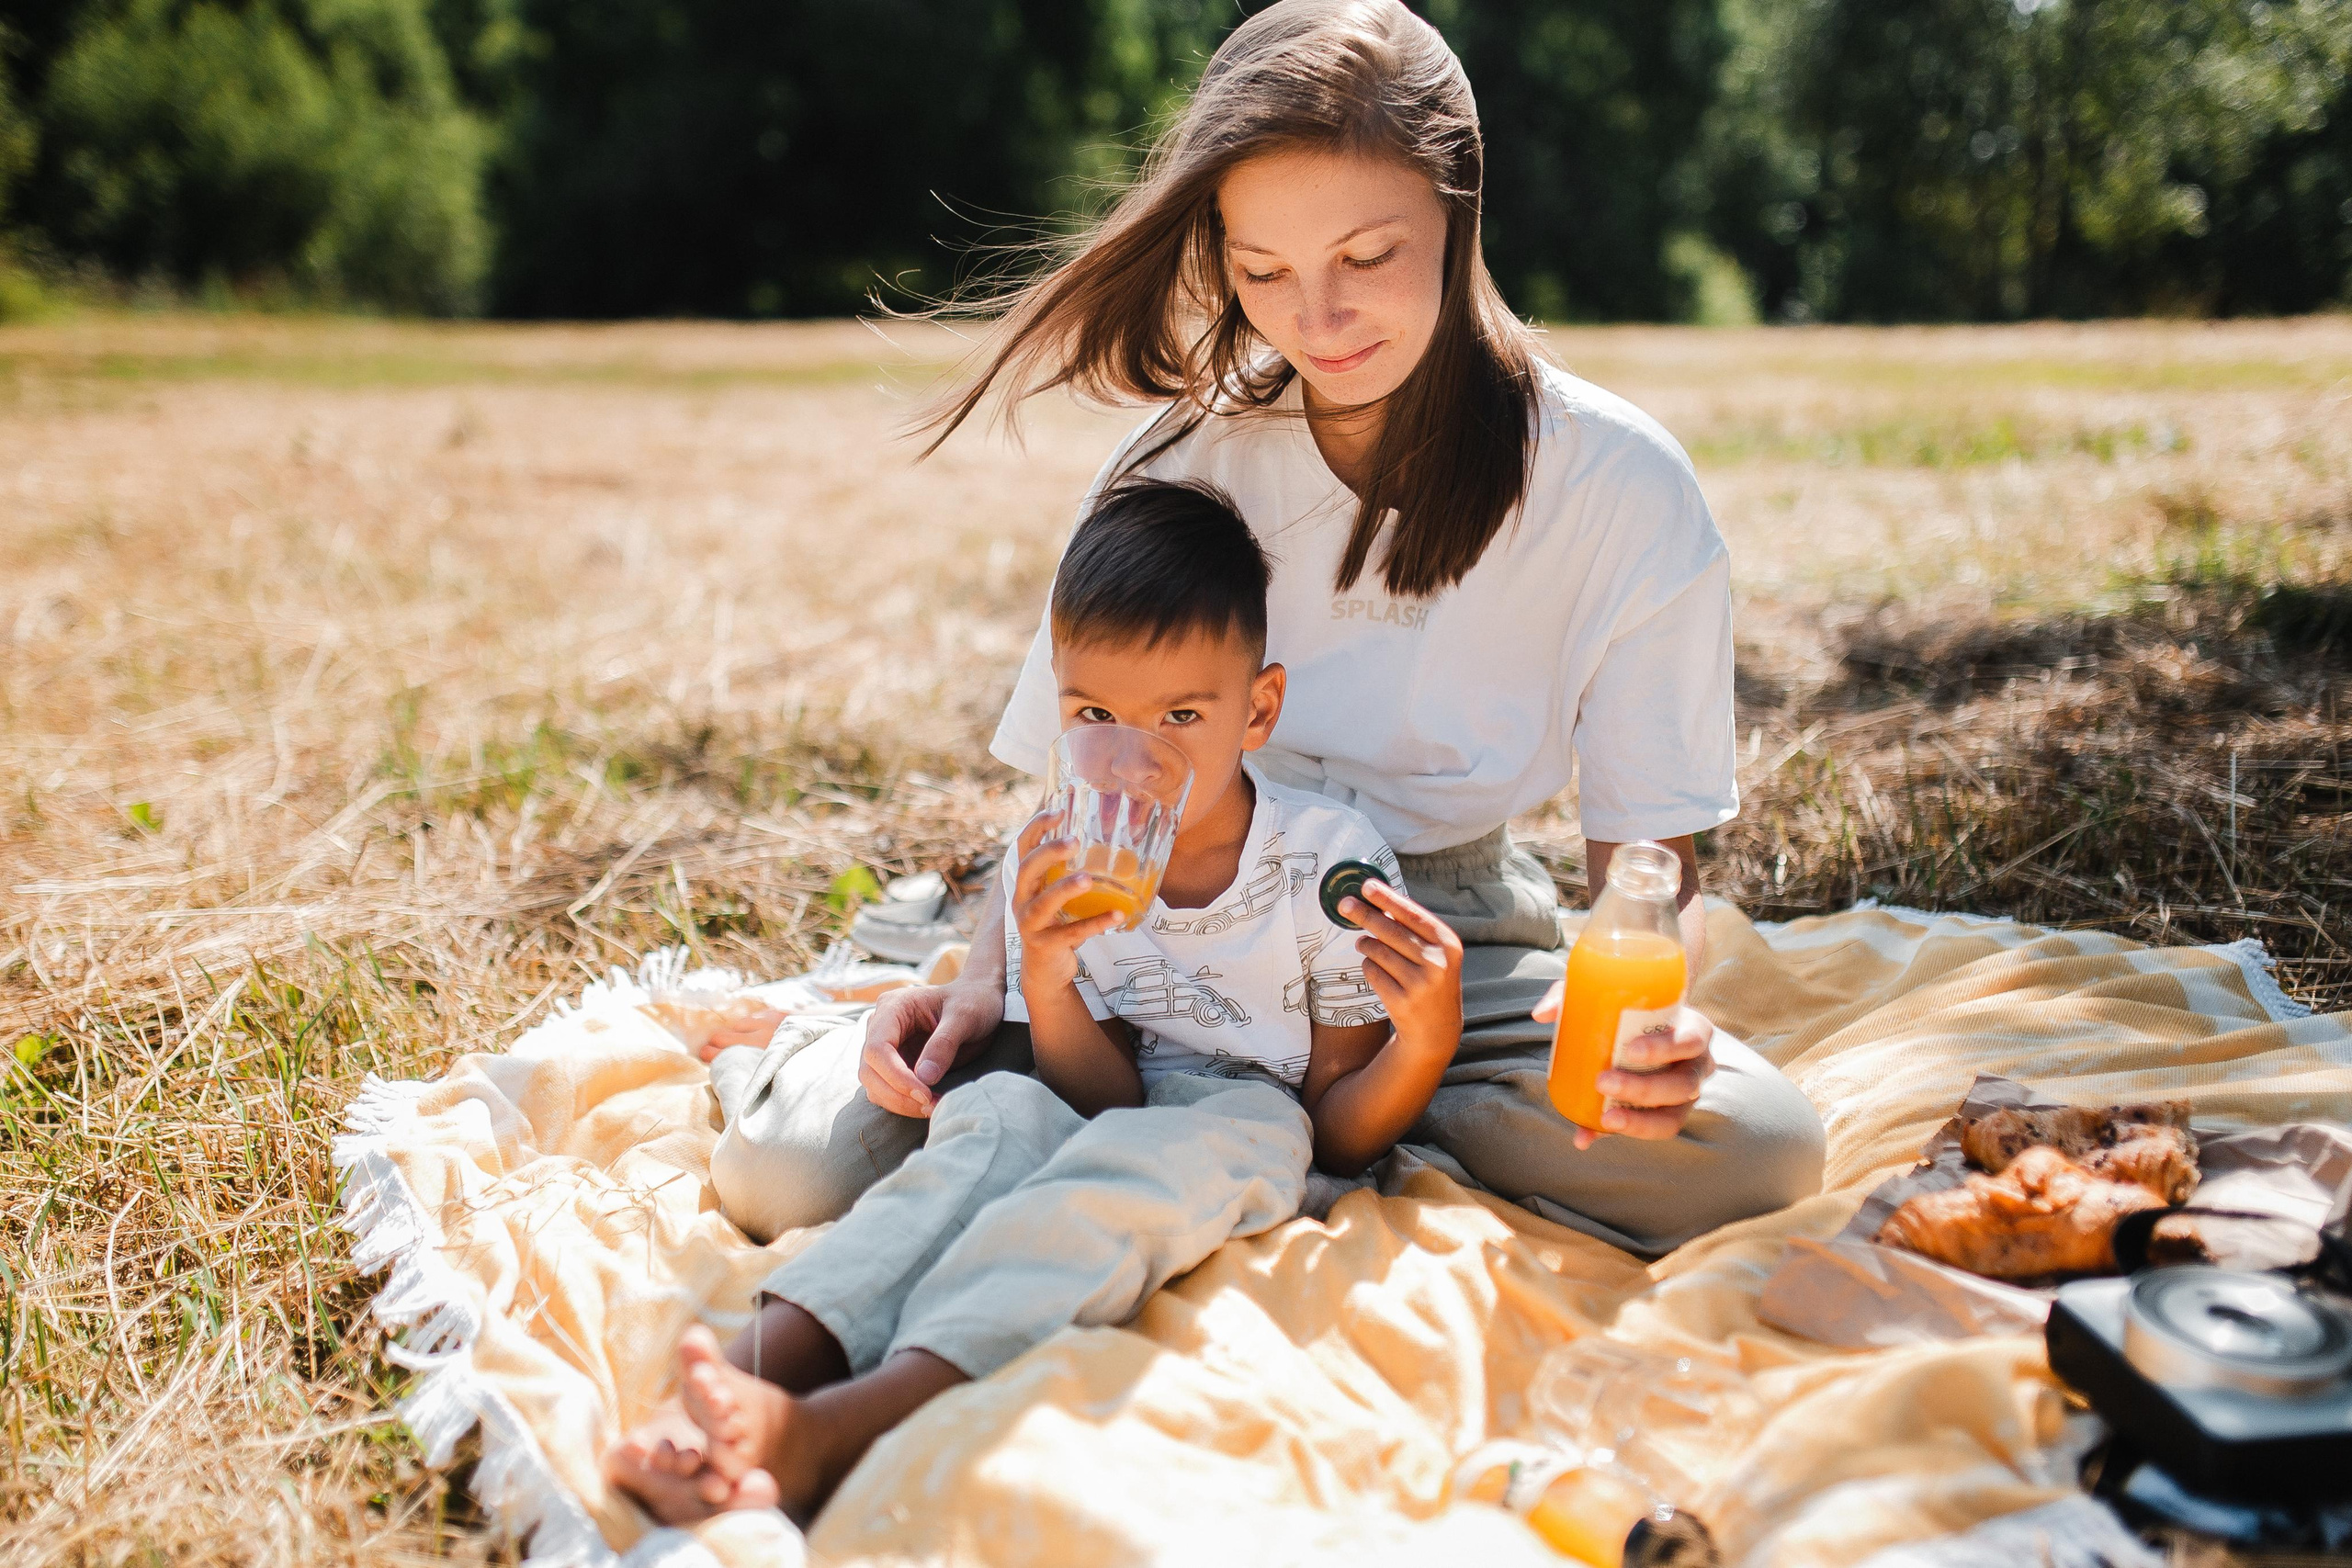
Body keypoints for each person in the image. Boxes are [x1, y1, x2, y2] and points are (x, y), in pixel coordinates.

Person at [710, 0, 1825, 1264]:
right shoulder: (1181, 464)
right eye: (1263, 272)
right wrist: (988, 975)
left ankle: (1301, 1121)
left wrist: (1651, 1019)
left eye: (1366, 256)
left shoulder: (1621, 483)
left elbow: (1644, 865)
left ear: (1460, 212)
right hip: (1151, 920)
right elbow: (1085, 767)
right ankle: (1271, 1125)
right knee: (788, 1171)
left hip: (1438, 937)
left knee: (1760, 1147)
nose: (1319, 316)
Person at [610, 479, 1464, 1520]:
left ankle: (839, 1429)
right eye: (1094, 714)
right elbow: (1090, 1092)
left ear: (1260, 710)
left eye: (1182, 716)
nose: (1132, 755)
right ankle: (745, 1376)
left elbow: (1332, 1133)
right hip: (1104, 1095)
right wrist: (1049, 979)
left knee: (1090, 1202)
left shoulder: (1324, 865)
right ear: (1056, 701)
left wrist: (1422, 1042)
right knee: (985, 1128)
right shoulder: (1060, 850)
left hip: (1250, 1118)